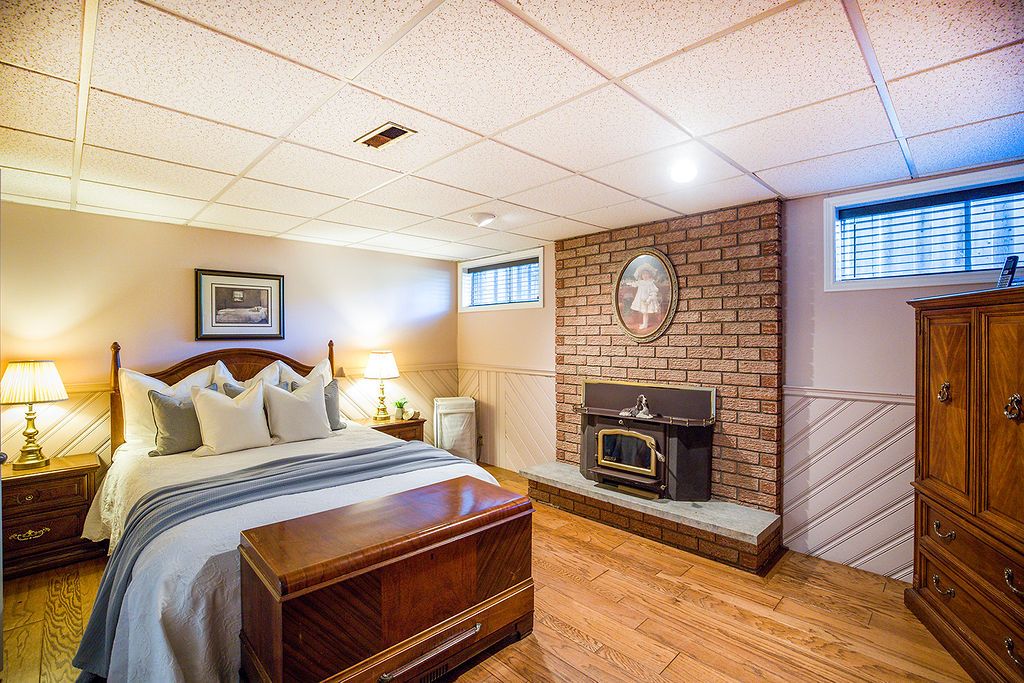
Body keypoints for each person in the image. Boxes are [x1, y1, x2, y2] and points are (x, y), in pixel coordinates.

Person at [622, 262, 661, 330]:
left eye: (646, 274)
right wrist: (628, 283)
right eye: (643, 274)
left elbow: (653, 292)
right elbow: (634, 284)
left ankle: (645, 324)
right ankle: (644, 323)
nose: (645, 275)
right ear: (641, 275)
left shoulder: (650, 283)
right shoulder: (640, 282)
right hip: (641, 300)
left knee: (645, 312)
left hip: (647, 300)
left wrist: (649, 299)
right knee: (644, 312)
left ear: (650, 275)